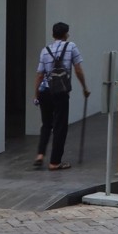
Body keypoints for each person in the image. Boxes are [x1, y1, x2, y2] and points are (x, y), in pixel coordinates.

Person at [32, 21, 89, 172]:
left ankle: (40, 154)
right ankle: (55, 162)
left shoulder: (45, 50)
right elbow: (78, 70)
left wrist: (36, 94)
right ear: (66, 34)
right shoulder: (71, 47)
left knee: (46, 124)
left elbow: (39, 75)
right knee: (60, 127)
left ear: (52, 35)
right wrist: (84, 88)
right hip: (60, 92)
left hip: (45, 91)